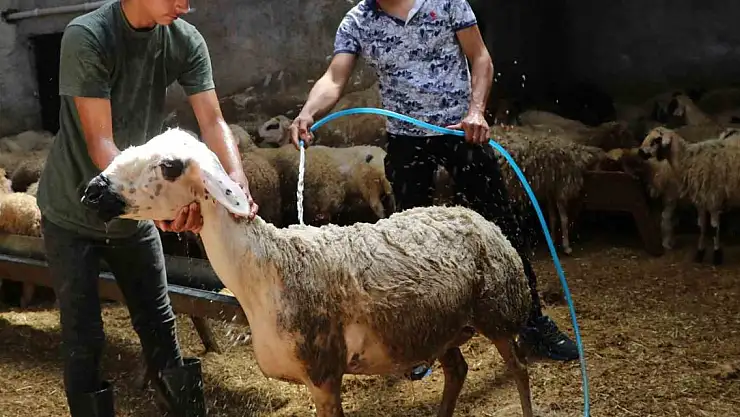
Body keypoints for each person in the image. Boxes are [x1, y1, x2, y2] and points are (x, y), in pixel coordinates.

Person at [289, 0, 579, 379]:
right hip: (406, 141)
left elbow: (480, 58)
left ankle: (531, 323)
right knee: (409, 247)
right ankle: (419, 344)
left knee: (503, 228)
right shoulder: (358, 21)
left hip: (461, 132)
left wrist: (476, 111)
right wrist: (308, 112)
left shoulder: (447, 2)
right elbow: (333, 79)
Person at [35, 0, 258, 415]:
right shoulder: (88, 36)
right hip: (73, 211)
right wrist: (157, 207)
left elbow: (212, 121)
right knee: (83, 333)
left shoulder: (184, 40)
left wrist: (235, 182)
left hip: (134, 213)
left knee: (159, 324)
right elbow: (100, 142)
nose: (184, 6)